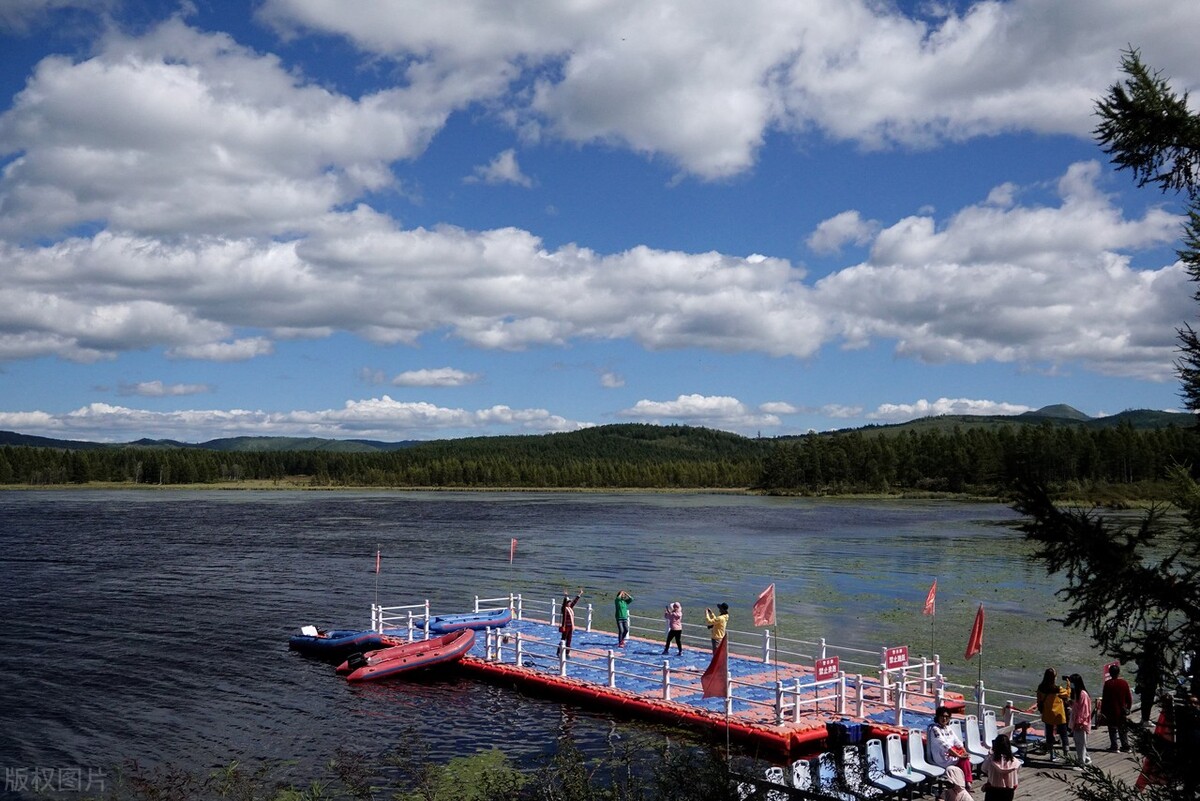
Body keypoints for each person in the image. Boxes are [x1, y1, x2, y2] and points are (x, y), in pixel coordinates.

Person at [928, 706, 973, 789]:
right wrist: (959, 756)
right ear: (938, 717)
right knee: (964, 760)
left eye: (946, 717)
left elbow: (957, 742)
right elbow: (945, 745)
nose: (944, 719)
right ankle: (967, 782)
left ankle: (965, 783)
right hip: (942, 758)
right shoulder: (935, 729)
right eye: (942, 716)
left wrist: (964, 752)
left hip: (951, 755)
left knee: (965, 759)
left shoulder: (948, 728)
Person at [1037, 668, 1071, 761]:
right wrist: (1068, 683)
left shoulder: (1041, 688)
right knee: (1064, 735)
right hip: (1059, 714)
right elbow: (1067, 694)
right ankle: (1066, 756)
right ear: (1053, 678)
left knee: (1049, 735)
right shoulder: (1057, 689)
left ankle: (1052, 755)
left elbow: (1039, 700)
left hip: (1047, 714)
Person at [1100, 663, 1133, 752]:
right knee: (1122, 729)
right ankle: (1125, 746)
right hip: (1122, 710)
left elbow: (1105, 698)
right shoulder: (1124, 683)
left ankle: (1114, 746)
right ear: (1118, 673)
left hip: (1111, 710)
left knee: (1112, 729)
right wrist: (1128, 708)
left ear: (1110, 673)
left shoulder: (1108, 684)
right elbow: (1129, 698)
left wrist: (1102, 711)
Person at [980, 733, 1021, 801]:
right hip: (1008, 791)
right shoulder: (1015, 762)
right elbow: (1017, 772)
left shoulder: (990, 760)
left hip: (993, 790)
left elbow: (983, 769)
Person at [1069, 673, 1093, 765]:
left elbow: (1084, 711)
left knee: (1081, 743)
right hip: (1077, 722)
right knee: (1078, 742)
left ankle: (1081, 762)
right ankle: (1086, 758)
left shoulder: (1083, 694)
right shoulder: (1077, 694)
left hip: (1082, 723)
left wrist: (1080, 723)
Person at [557, 587, 583, 658]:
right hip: (566, 626)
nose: (569, 603)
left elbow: (575, 601)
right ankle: (559, 651)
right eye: (568, 602)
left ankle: (567, 652)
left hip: (571, 626)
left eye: (569, 602)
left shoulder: (570, 608)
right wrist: (565, 596)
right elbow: (563, 604)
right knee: (563, 639)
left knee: (569, 640)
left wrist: (579, 594)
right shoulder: (564, 609)